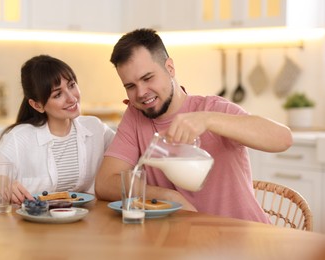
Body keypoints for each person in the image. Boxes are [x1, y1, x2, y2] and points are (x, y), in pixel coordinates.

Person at [95, 28, 293, 223]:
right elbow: (105, 183)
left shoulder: (212, 109)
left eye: (147, 78)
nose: (141, 93)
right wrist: (169, 196)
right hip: (183, 242)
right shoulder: (136, 116)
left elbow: (283, 139)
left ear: (170, 68)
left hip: (242, 239)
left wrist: (208, 120)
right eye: (130, 86)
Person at [0, 55, 115, 204]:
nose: (72, 98)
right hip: (29, 227)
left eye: (71, 85)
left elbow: (132, 156)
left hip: (83, 224)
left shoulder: (95, 129)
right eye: (57, 94)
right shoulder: (18, 139)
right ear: (37, 105)